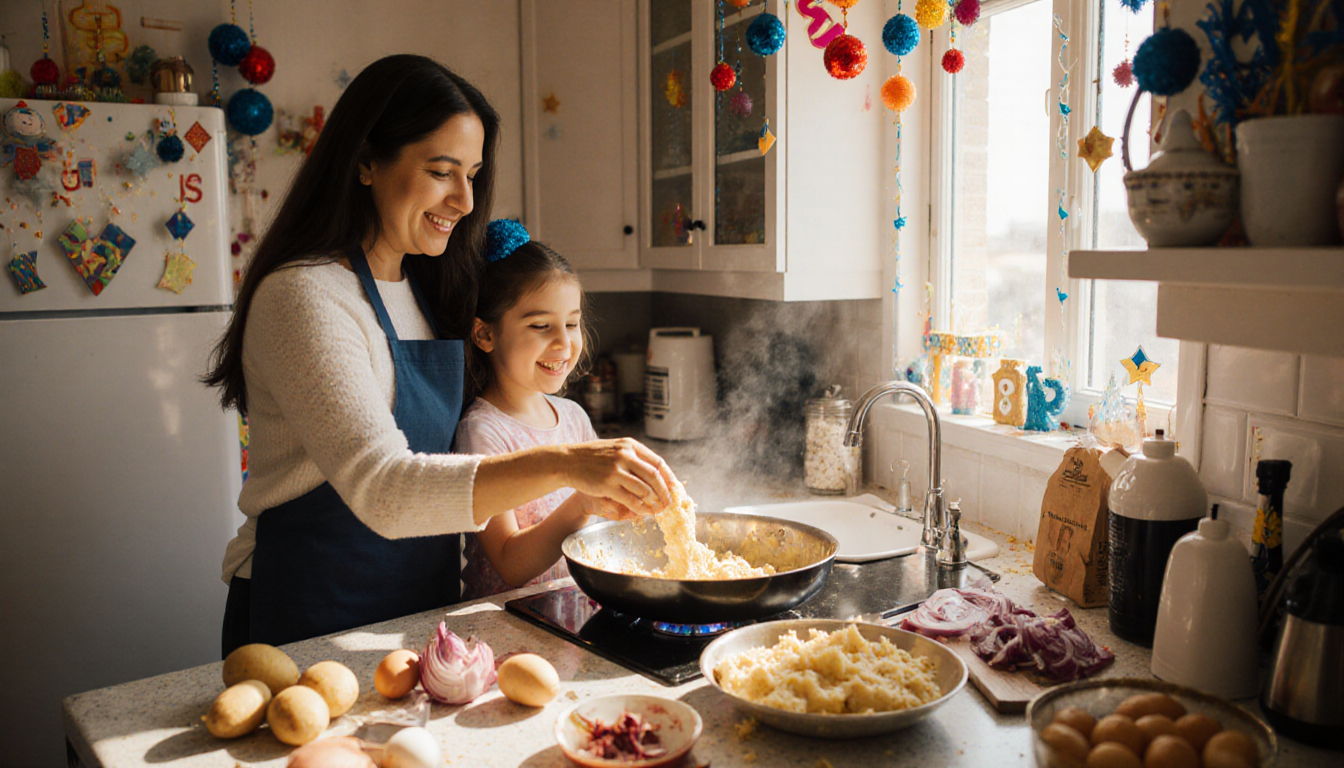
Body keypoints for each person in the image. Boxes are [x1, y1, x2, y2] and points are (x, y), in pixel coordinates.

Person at [204, 55, 673, 657]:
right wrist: (570, 464)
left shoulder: (434, 291)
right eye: (441, 171)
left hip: (423, 617)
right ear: (366, 161)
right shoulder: (305, 295)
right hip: (310, 613)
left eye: (473, 174)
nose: (465, 199)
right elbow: (383, 488)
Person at [456, 222, 609, 599]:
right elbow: (510, 563)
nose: (564, 342)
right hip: (505, 626)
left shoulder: (573, 418)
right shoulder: (483, 431)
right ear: (485, 335)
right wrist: (585, 502)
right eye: (542, 326)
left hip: (572, 610)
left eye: (571, 323)